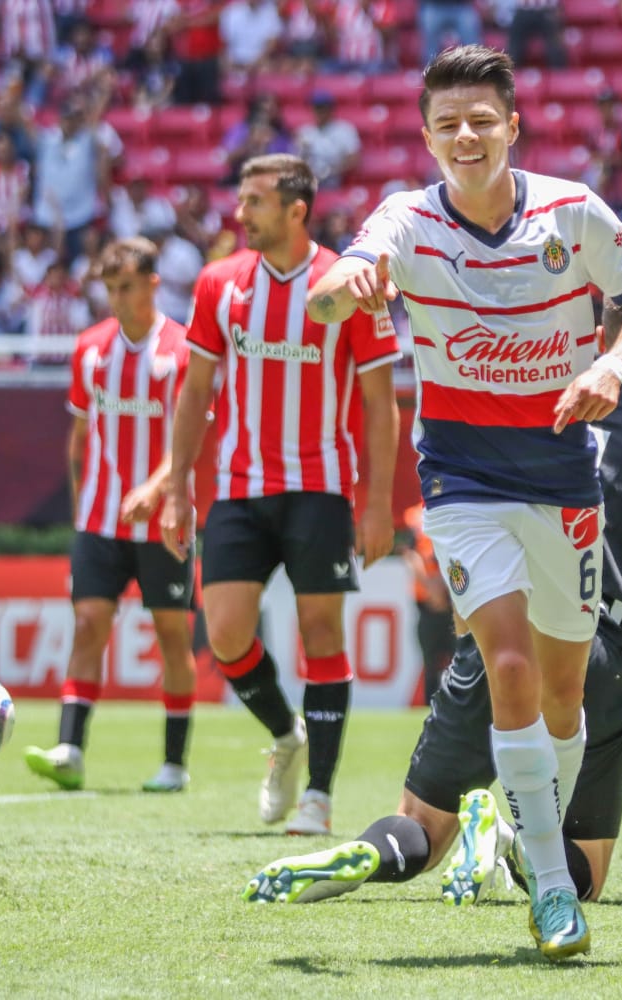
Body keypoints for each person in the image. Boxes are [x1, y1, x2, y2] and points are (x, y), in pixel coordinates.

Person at [302, 45, 622, 961]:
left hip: (562, 482)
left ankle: (524, 837)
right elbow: (323, 296)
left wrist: (610, 363)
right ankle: (553, 891)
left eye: (480, 120)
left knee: (561, 696)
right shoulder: (404, 220)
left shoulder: (571, 210)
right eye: (446, 125)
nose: (464, 137)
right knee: (505, 665)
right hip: (463, 484)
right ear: (427, 139)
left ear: (512, 126)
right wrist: (342, 286)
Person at [244, 273, 622, 919]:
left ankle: (364, 853)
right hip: (603, 655)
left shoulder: (543, 404)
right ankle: (504, 838)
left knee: (419, 826)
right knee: (580, 872)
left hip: (506, 627)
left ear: (595, 336)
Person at [160, 153, 402, 837]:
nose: (240, 214)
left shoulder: (347, 284)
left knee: (322, 631)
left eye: (256, 201)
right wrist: (178, 488)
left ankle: (319, 797)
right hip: (238, 487)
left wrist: (376, 502)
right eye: (241, 200)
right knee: (227, 632)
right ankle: (286, 735)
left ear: (297, 209)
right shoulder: (218, 284)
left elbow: (379, 401)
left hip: (320, 484)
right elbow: (196, 391)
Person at [23, 238, 198, 793]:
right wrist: (81, 511)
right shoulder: (90, 349)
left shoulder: (183, 348)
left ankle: (173, 763)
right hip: (99, 521)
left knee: (172, 634)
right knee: (88, 624)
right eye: (109, 289)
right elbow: (79, 439)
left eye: (126, 287)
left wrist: (161, 486)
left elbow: (191, 433)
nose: (117, 299)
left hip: (165, 521)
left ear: (152, 282)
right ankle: (71, 749)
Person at [402, 502, 456, 704]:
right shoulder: (414, 516)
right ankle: (429, 709)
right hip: (427, 604)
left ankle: (458, 709)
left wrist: (445, 585)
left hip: (454, 602)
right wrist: (429, 585)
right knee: (430, 663)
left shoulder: (457, 508)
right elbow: (410, 553)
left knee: (461, 661)